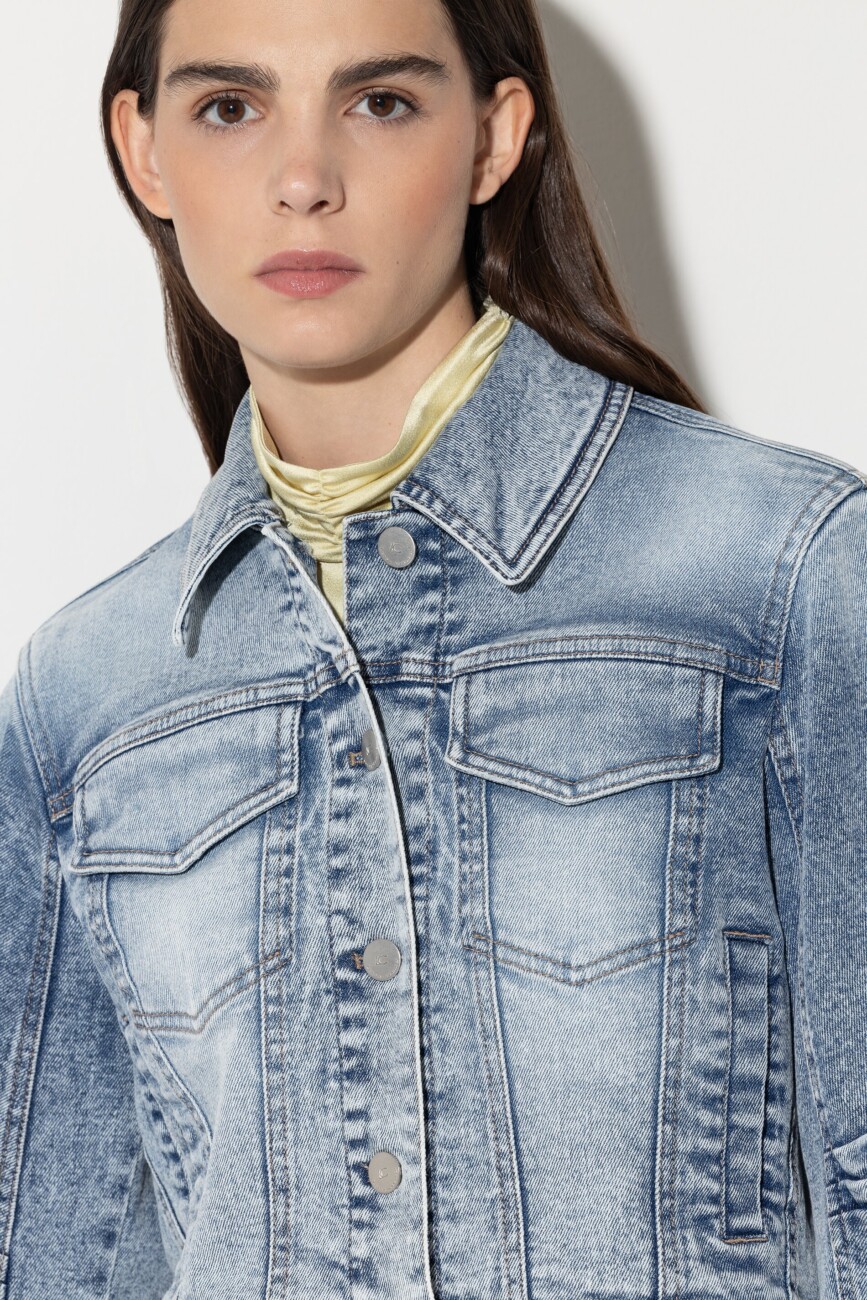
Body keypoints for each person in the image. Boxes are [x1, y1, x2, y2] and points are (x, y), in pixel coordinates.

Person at [1, 0, 865, 1295]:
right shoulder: (85, 697)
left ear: (494, 137)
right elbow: (55, 1260)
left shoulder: (777, 574)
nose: (304, 180)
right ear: (144, 152)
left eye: (381, 102)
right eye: (230, 108)